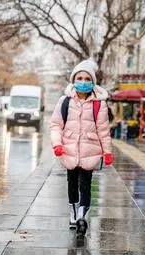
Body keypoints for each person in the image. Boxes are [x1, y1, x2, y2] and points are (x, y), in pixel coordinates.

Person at [50, 60, 113, 238]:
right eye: (80, 78)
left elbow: (104, 130)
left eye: (87, 78)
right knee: (71, 183)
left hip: (90, 150)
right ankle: (73, 211)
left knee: (86, 184)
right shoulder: (64, 101)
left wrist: (107, 152)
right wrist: (57, 144)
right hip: (68, 149)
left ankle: (82, 217)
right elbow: (55, 125)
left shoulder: (99, 104)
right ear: (73, 80)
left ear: (92, 82)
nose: (83, 81)